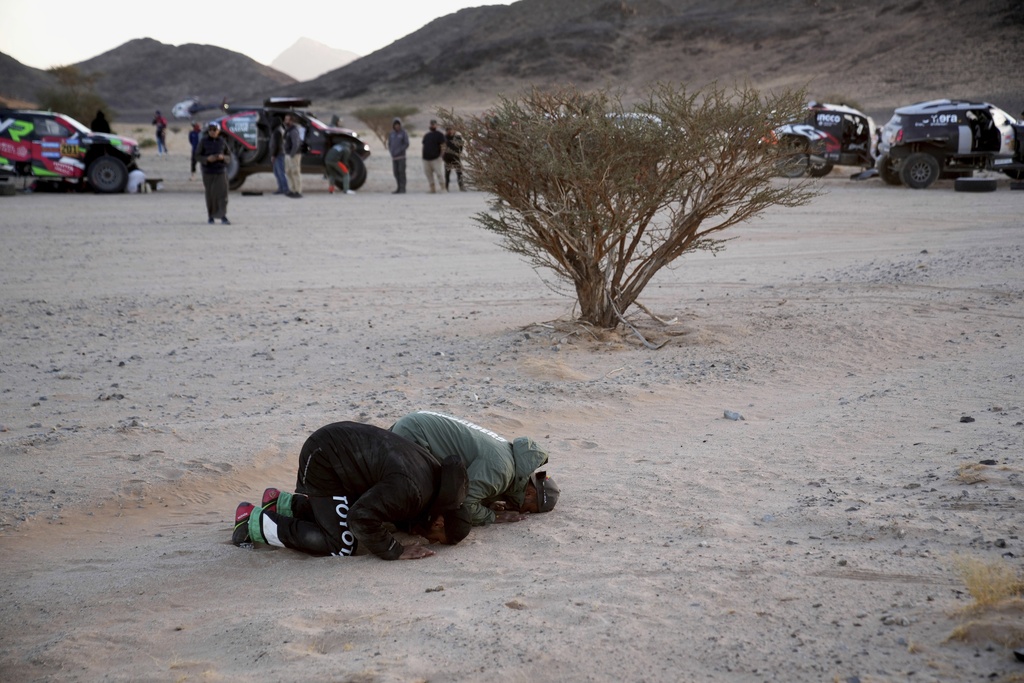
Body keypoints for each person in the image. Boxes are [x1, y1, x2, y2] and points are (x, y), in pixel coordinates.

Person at [231, 421, 472, 560]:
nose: (428, 539)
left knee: (346, 520)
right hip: (325, 459)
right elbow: (360, 517)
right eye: (435, 538)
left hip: (339, 451)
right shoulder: (412, 491)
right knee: (342, 545)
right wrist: (395, 550)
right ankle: (254, 521)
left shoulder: (433, 480)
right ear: (439, 522)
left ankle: (280, 504)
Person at [390, 410, 559, 526]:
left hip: (414, 423)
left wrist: (487, 501)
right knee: (418, 499)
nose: (521, 510)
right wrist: (492, 516)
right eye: (528, 509)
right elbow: (463, 502)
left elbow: (472, 480)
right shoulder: (503, 471)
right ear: (529, 494)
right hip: (414, 435)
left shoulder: (509, 456)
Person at [195, 122, 231, 224]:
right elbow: (197, 156)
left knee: (223, 194)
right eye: (210, 129)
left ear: (218, 131)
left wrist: (222, 157)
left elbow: (229, 156)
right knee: (210, 195)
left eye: (214, 129)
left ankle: (223, 216)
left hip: (221, 171)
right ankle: (211, 216)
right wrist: (207, 159)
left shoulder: (222, 142)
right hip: (208, 172)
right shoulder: (203, 141)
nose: (212, 131)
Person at [422, 119, 446, 193]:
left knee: (439, 173)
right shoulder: (427, 135)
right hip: (426, 158)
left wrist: (441, 155)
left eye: (434, 124)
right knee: (428, 173)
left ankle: (443, 188)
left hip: (436, 158)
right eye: (432, 124)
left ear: (436, 125)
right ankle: (432, 189)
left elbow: (443, 145)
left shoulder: (440, 135)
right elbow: (424, 145)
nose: (433, 126)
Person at [283, 114, 304, 198]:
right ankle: (292, 190)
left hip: (294, 155)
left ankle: (298, 191)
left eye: (287, 120)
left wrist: (292, 154)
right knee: (288, 172)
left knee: (295, 172)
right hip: (288, 154)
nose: (285, 121)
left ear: (291, 121)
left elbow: (296, 144)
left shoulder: (294, 131)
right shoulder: (288, 130)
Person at [387, 117, 409, 194]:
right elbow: (389, 144)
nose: (397, 126)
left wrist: (400, 150)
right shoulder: (391, 133)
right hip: (394, 157)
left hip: (401, 157)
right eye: (395, 125)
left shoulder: (403, 133)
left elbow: (406, 144)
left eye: (398, 125)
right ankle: (398, 187)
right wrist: (391, 151)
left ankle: (403, 188)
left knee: (401, 172)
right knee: (395, 173)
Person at [269, 117, 289, 195]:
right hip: (279, 153)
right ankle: (281, 188)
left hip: (278, 154)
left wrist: (273, 155)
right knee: (277, 172)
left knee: (280, 172)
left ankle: (284, 188)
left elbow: (276, 145)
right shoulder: (280, 129)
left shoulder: (277, 131)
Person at [443, 124, 466, 191]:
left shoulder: (458, 138)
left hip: (456, 157)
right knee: (447, 174)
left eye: (451, 130)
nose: (449, 131)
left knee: (459, 173)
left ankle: (461, 187)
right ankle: (446, 188)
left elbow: (461, 146)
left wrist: (459, 153)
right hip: (447, 158)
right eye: (448, 130)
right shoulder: (444, 138)